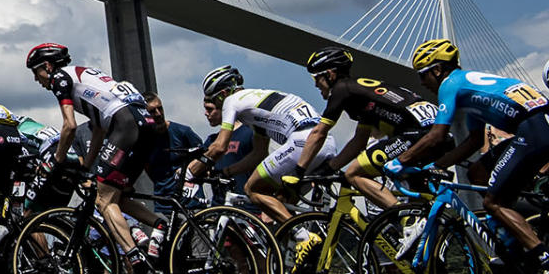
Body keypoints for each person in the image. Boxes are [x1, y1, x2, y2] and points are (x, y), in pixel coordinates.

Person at [389, 39, 549, 274]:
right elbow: (474, 140)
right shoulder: (469, 91)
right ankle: (510, 242)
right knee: (476, 172)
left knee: (493, 202)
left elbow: (437, 135)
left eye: (423, 74)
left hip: (533, 129)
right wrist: (436, 166)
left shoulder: (450, 85)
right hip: (537, 125)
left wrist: (400, 161)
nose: (422, 82)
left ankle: (545, 263)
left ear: (437, 70)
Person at [27, 42, 162, 274]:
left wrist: (57, 161)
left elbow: (69, 126)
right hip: (146, 125)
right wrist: (87, 167)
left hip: (125, 126)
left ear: (47, 66)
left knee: (103, 200)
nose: (37, 80)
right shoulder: (86, 75)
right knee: (118, 194)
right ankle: (162, 225)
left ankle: (137, 263)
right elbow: (98, 130)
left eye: (36, 72)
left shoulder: (60, 78)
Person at [185, 66, 337, 225]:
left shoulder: (232, 101)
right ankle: (295, 246)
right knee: (281, 201)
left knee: (252, 189)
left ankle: (302, 236)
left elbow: (220, 147)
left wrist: (190, 173)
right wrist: (226, 172)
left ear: (223, 94)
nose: (214, 105)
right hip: (325, 142)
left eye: (213, 100)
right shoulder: (257, 104)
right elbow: (259, 153)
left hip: (303, 142)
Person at [295, 45, 435, 212]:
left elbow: (319, 133)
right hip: (434, 133)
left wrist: (298, 171)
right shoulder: (361, 94)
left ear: (330, 74)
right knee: (421, 201)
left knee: (354, 174)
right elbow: (359, 141)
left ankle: (407, 219)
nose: (316, 85)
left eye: (316, 78)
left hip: (415, 135)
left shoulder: (341, 90)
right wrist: (329, 169)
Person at [143, 95, 204, 210]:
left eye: (160, 108)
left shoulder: (183, 132)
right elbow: (147, 167)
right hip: (163, 204)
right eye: (152, 111)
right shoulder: (145, 140)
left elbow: (204, 157)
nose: (158, 114)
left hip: (190, 204)